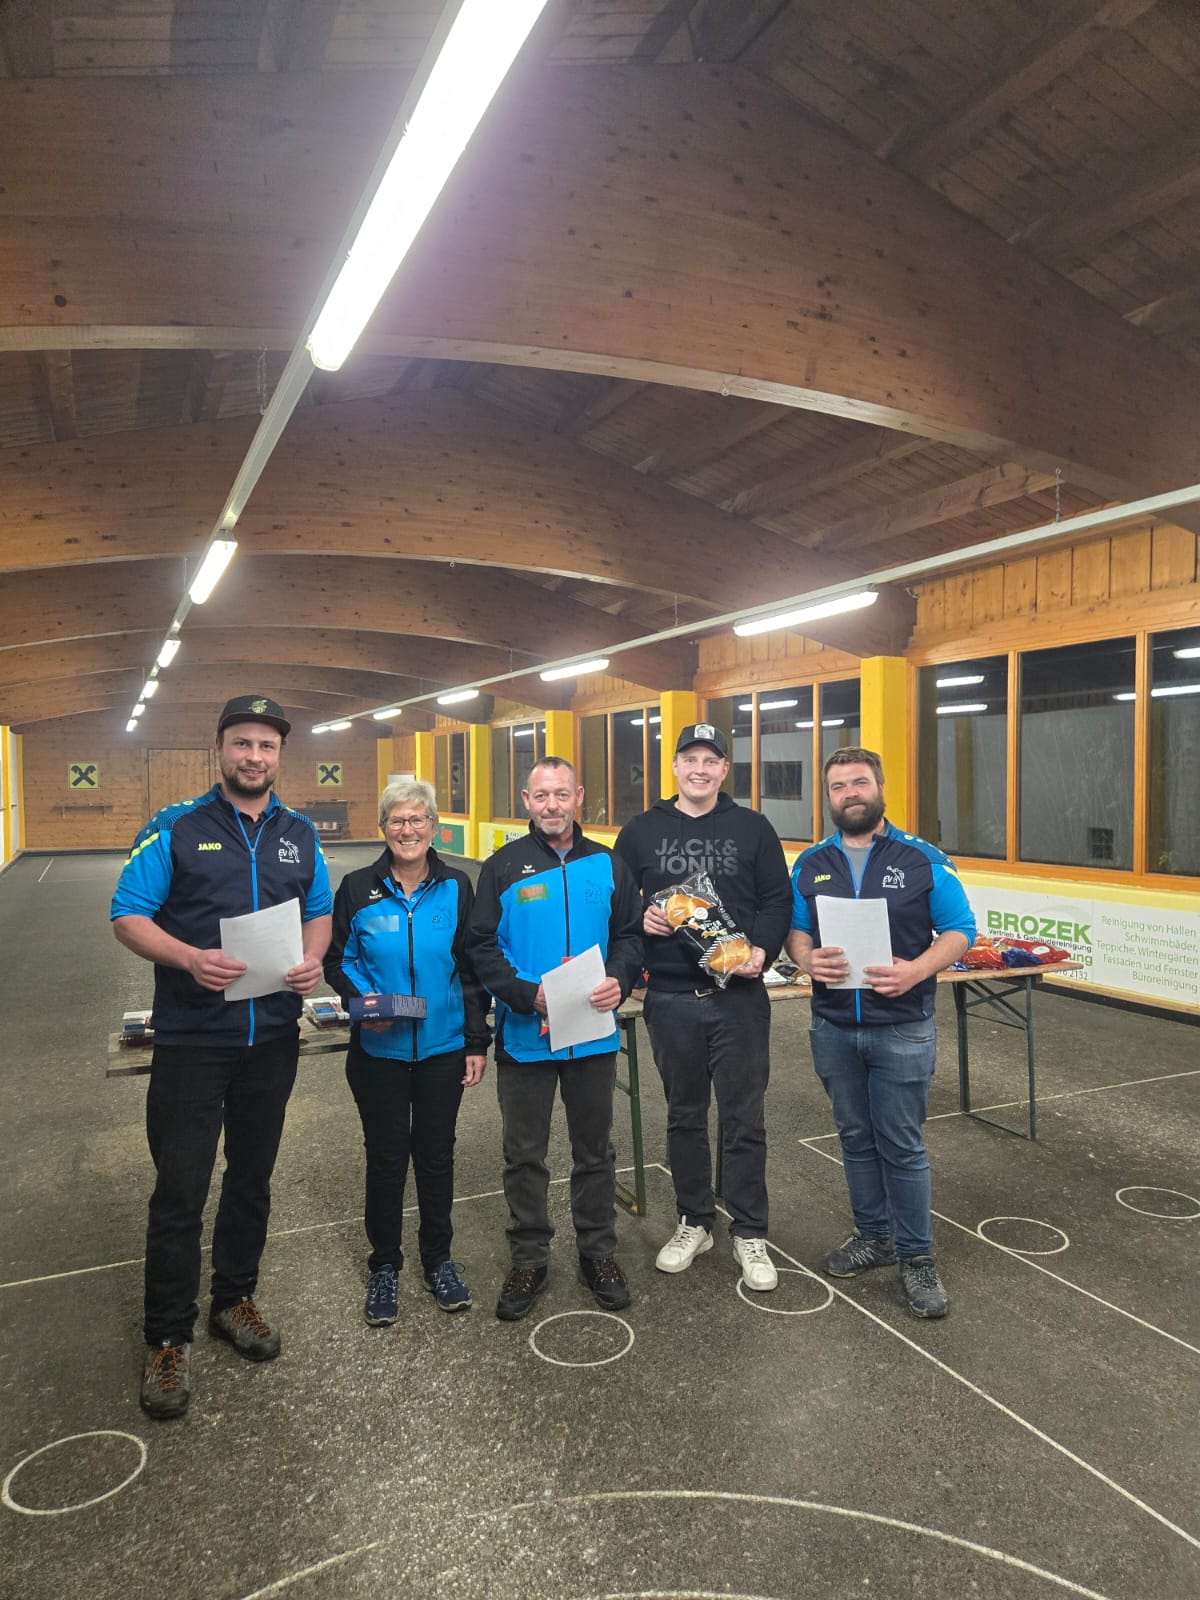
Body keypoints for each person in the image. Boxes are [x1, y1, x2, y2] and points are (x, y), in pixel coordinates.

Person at [111, 695, 332, 1419]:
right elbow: (127, 914)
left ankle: (234, 1299)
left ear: (279, 755)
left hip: (273, 1039)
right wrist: (188, 958)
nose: (254, 757)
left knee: (251, 1179)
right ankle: (166, 1337)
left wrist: (313, 958)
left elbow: (320, 910)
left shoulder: (300, 833)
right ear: (221, 749)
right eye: (243, 743)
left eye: (266, 746)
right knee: (180, 1191)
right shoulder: (175, 826)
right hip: (193, 1041)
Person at [787, 746, 975, 1319]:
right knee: (854, 1137)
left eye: (859, 782)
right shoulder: (811, 862)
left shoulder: (923, 859)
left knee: (902, 1144)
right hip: (833, 1027)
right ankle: (875, 1237)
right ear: (829, 797)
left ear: (880, 787)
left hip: (903, 1028)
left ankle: (917, 1257)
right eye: (839, 786)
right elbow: (797, 931)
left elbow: (960, 929)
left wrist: (917, 970)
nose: (850, 793)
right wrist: (806, 959)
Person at [614, 723, 792, 1292]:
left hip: (738, 999)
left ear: (723, 770)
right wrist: (641, 918)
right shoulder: (641, 831)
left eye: (710, 761)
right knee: (684, 1116)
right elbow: (618, 906)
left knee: (744, 1119)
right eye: (689, 759)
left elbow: (777, 899)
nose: (699, 769)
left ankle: (749, 1230)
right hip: (670, 999)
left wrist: (762, 951)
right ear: (674, 767)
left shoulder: (754, 828)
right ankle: (695, 1220)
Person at [467, 756, 643, 1321]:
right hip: (526, 1036)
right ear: (526, 800)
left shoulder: (608, 864)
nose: (552, 805)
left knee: (596, 1152)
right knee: (525, 1155)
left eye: (561, 794)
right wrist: (526, 993)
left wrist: (619, 977)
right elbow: (480, 947)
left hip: (592, 1036)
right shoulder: (502, 868)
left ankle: (598, 1253)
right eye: (541, 795)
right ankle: (529, 1258)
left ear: (579, 796)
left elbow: (630, 934)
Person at [324, 780, 491, 1325]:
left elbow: (471, 968)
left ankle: (438, 1260)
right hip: (379, 1054)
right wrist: (363, 1004)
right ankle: (385, 1265)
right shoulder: (356, 887)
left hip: (443, 1050)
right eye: (397, 820)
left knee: (437, 1157)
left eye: (418, 819)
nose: (408, 829)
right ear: (383, 828)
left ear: (434, 827)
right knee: (387, 1158)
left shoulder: (457, 886)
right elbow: (337, 960)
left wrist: (475, 1041)